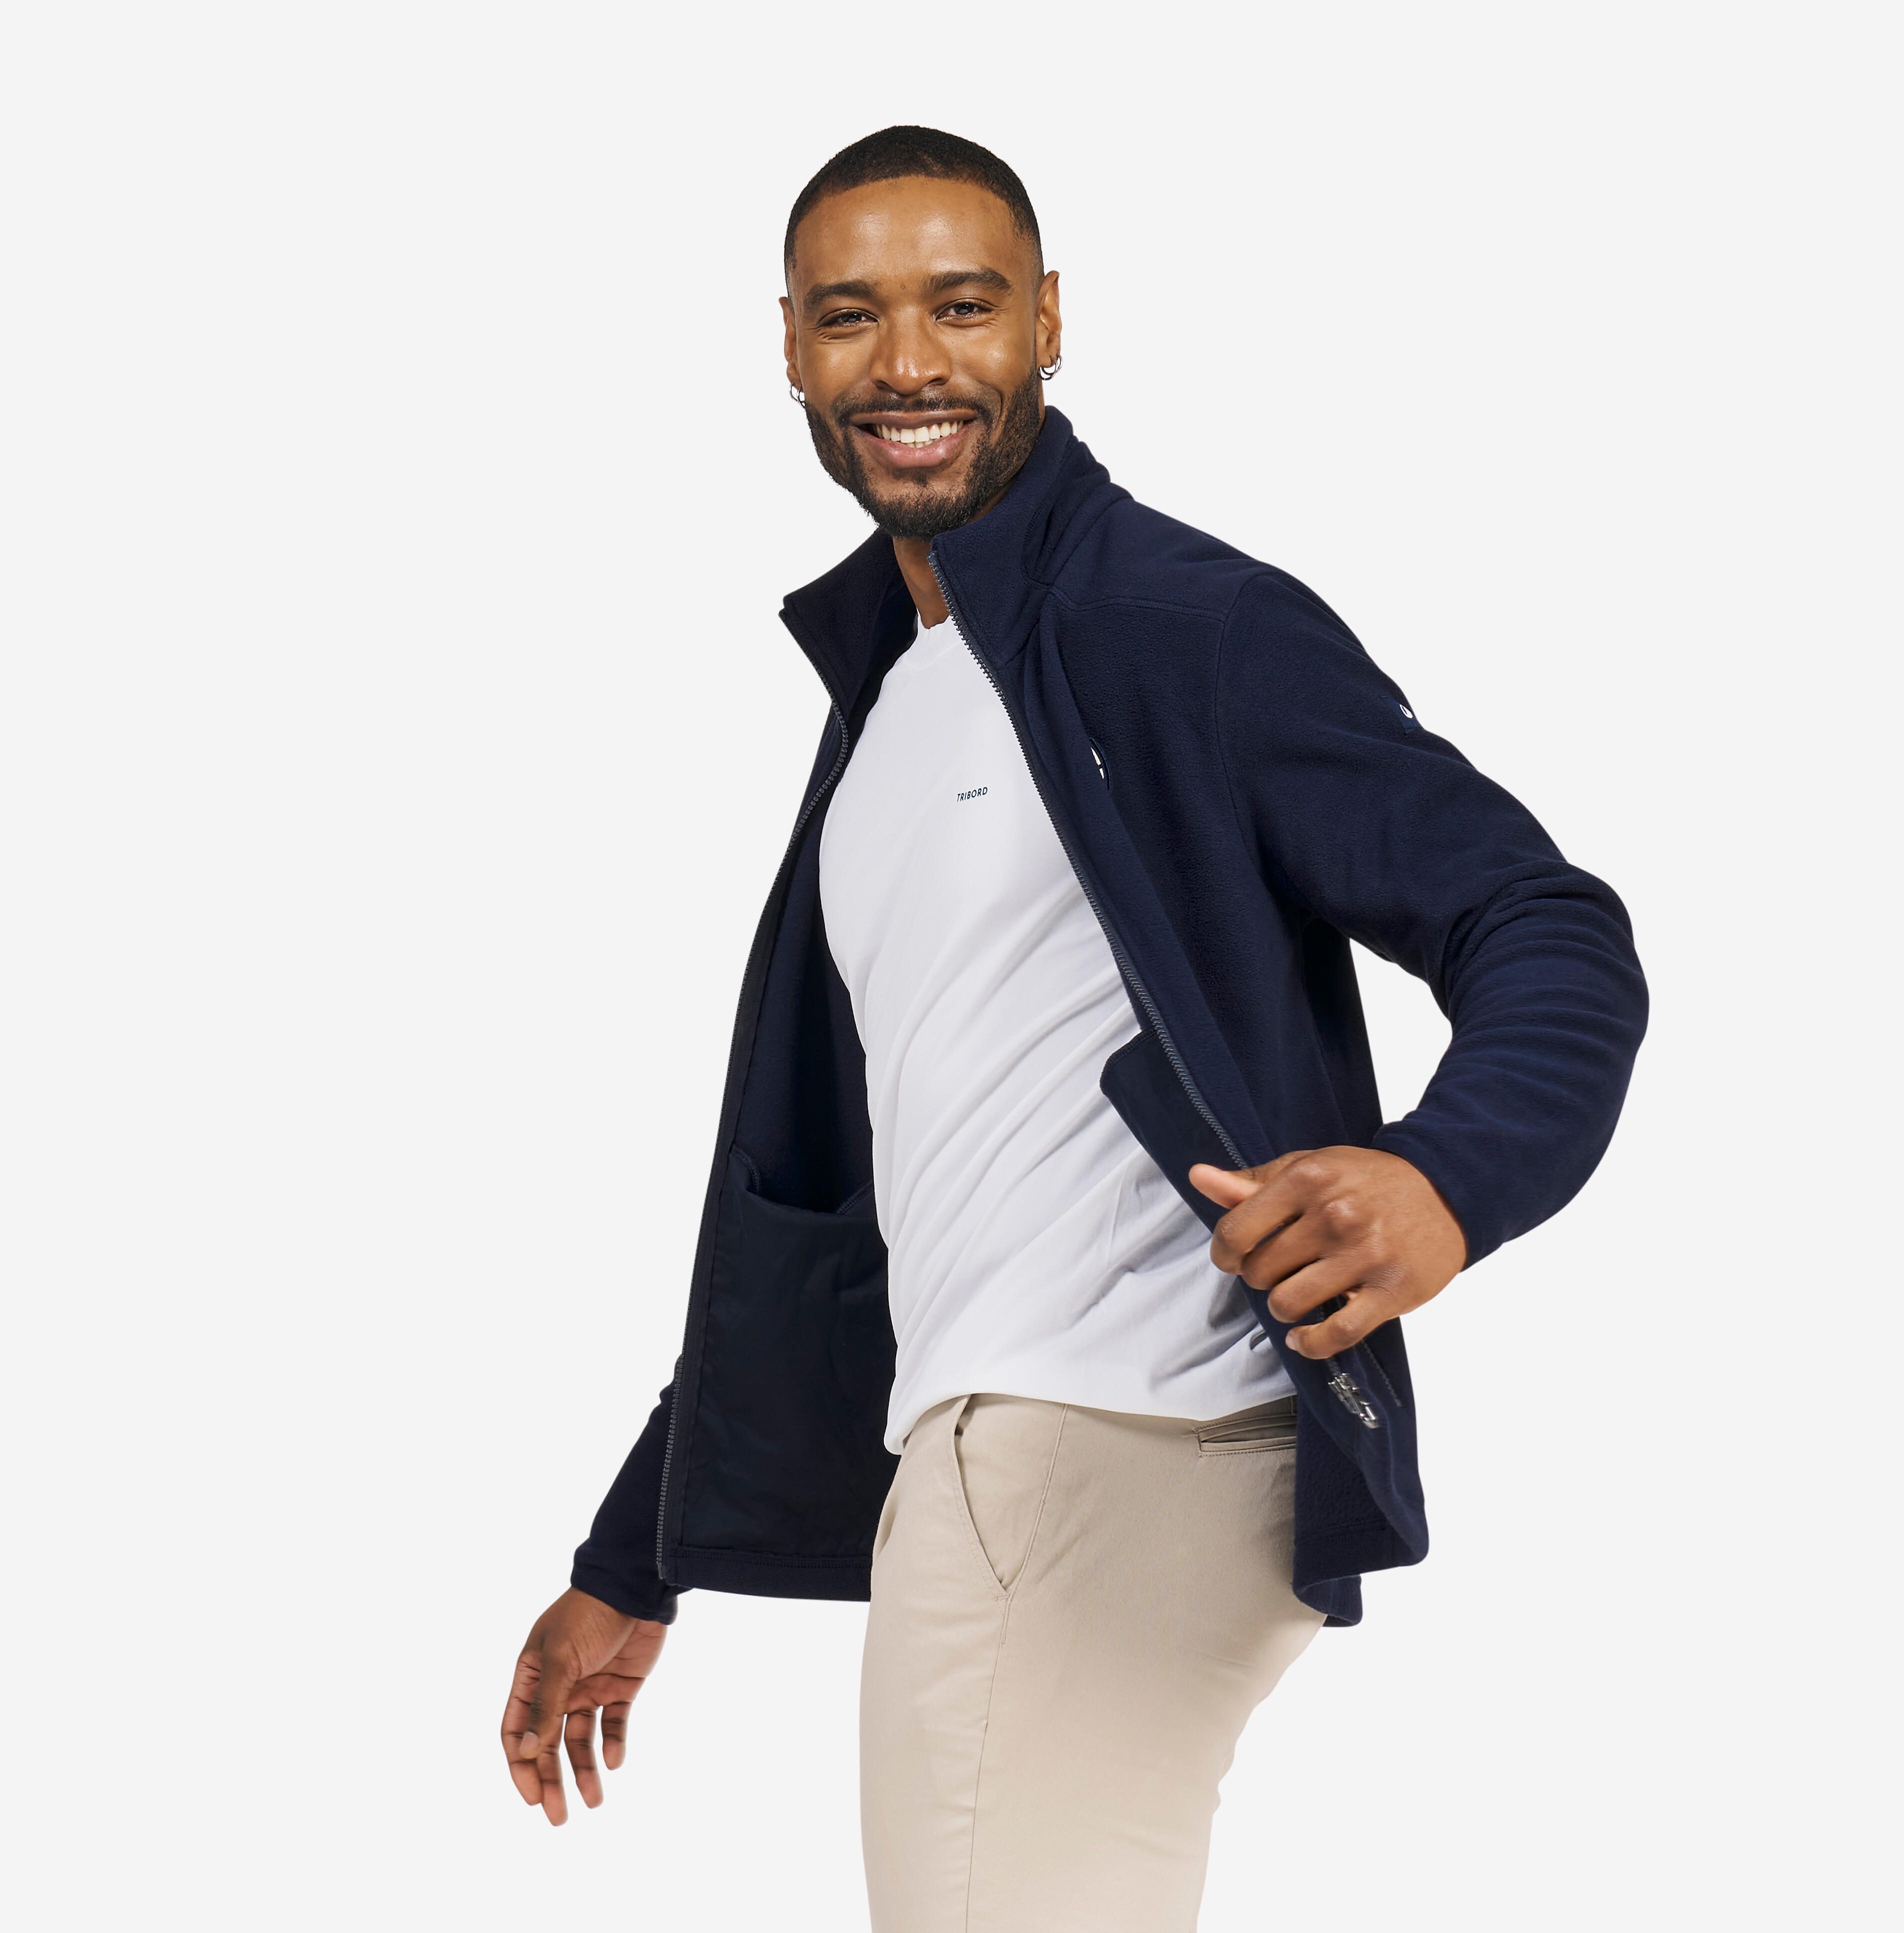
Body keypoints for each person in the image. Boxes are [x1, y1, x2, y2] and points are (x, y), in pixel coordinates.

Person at [499, 126, 1647, 1930]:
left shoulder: (1181, 628)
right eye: (849, 316)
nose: (906, 364)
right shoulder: (895, 701)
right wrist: (637, 1549)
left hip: (1084, 1458)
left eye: (961, 307)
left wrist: (1446, 1178)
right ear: (787, 347)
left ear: (1047, 321)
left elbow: (1542, 923)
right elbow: (851, 1216)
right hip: (1000, 1457)